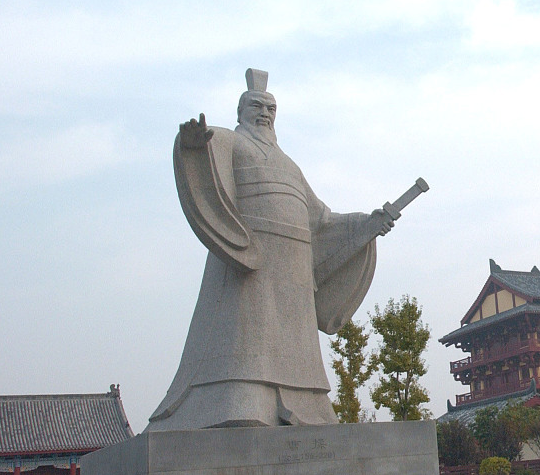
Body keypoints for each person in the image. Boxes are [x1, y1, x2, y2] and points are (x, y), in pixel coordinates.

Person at [148, 69, 397, 430]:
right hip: (251, 254)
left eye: (270, 107)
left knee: (295, 342)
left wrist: (365, 222)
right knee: (244, 331)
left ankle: (306, 404)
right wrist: (191, 145)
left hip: (295, 264)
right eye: (256, 105)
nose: (264, 112)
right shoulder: (230, 141)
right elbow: (205, 157)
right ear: (240, 112)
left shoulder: (289, 165)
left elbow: (322, 218)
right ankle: (239, 400)